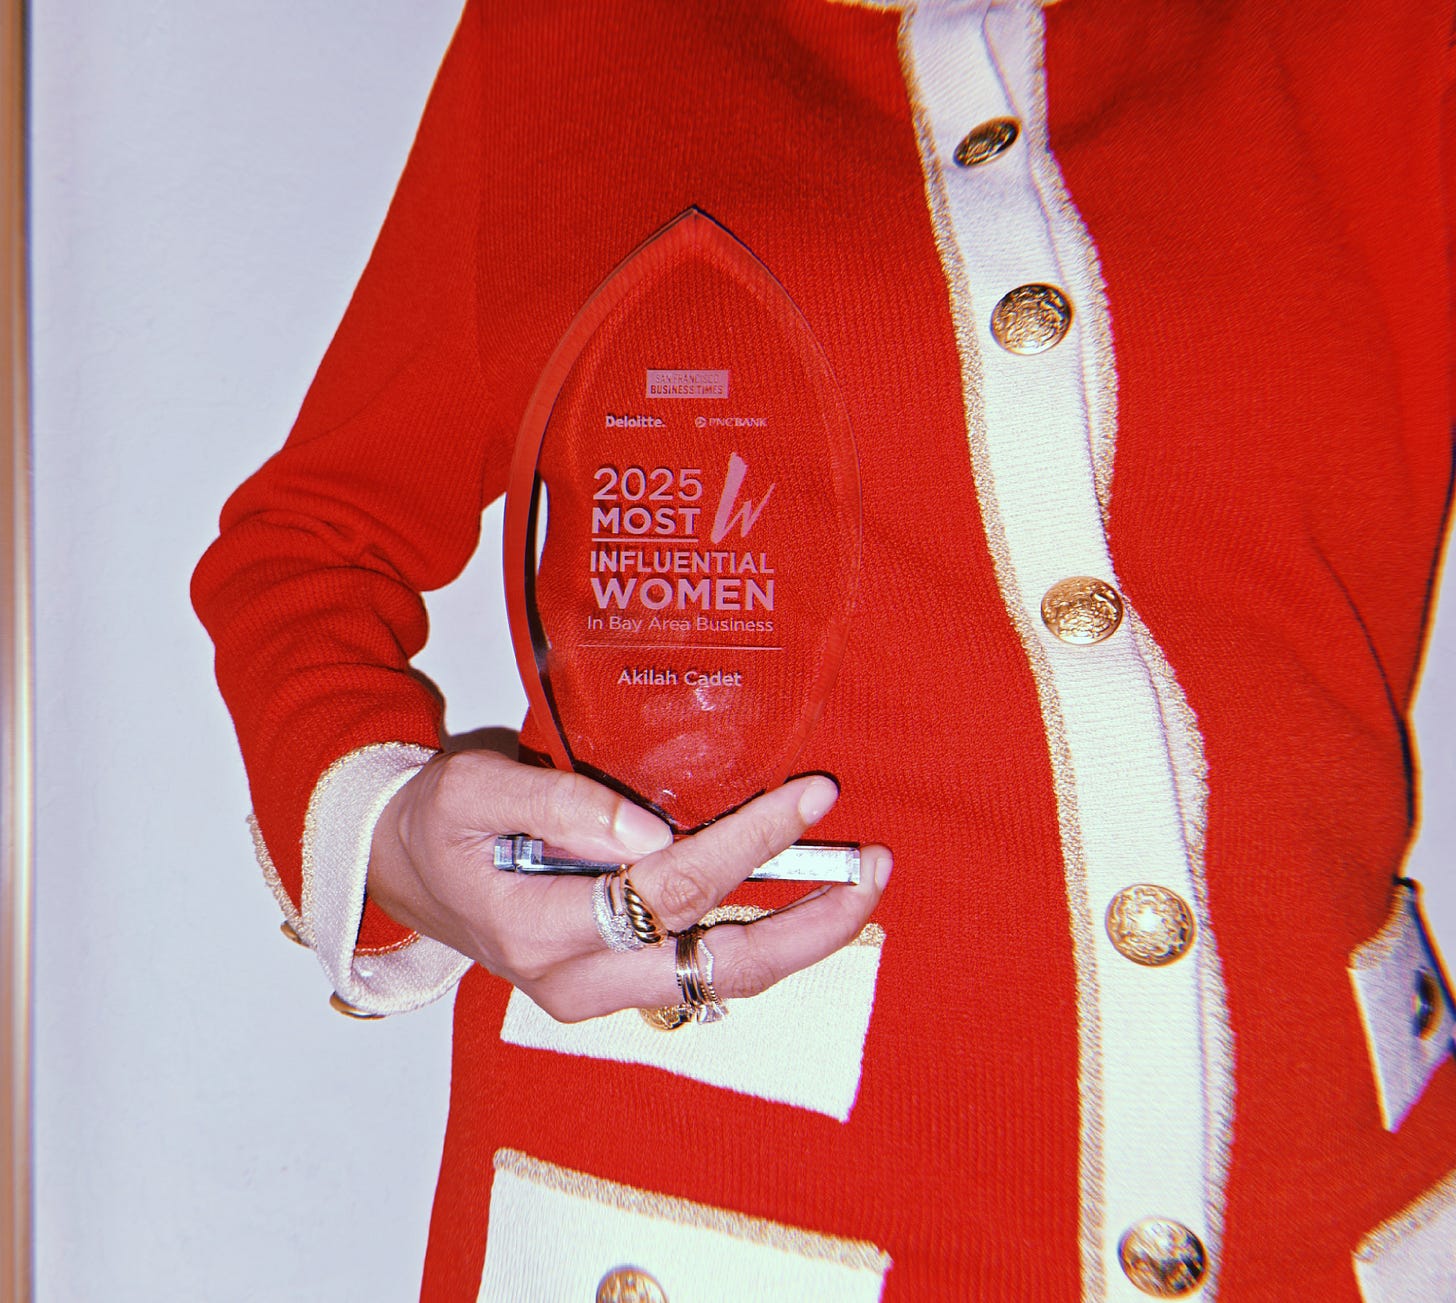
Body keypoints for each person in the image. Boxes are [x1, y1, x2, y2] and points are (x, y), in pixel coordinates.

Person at [192, 1, 1456, 1298]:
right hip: (718, 1193)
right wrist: (388, 830)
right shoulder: (579, 37)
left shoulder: (1377, 38)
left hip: (1313, 1196)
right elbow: (309, 544)